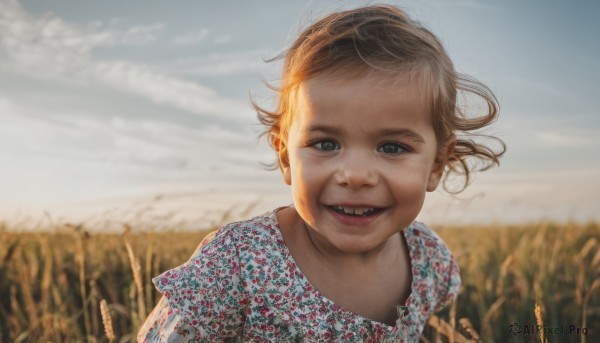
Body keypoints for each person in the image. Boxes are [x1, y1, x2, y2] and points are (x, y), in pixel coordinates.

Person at [138, 4, 505, 342]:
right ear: (285, 156)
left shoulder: (428, 261)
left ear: (437, 164)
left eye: (392, 147)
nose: (356, 175)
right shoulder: (236, 265)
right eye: (326, 144)